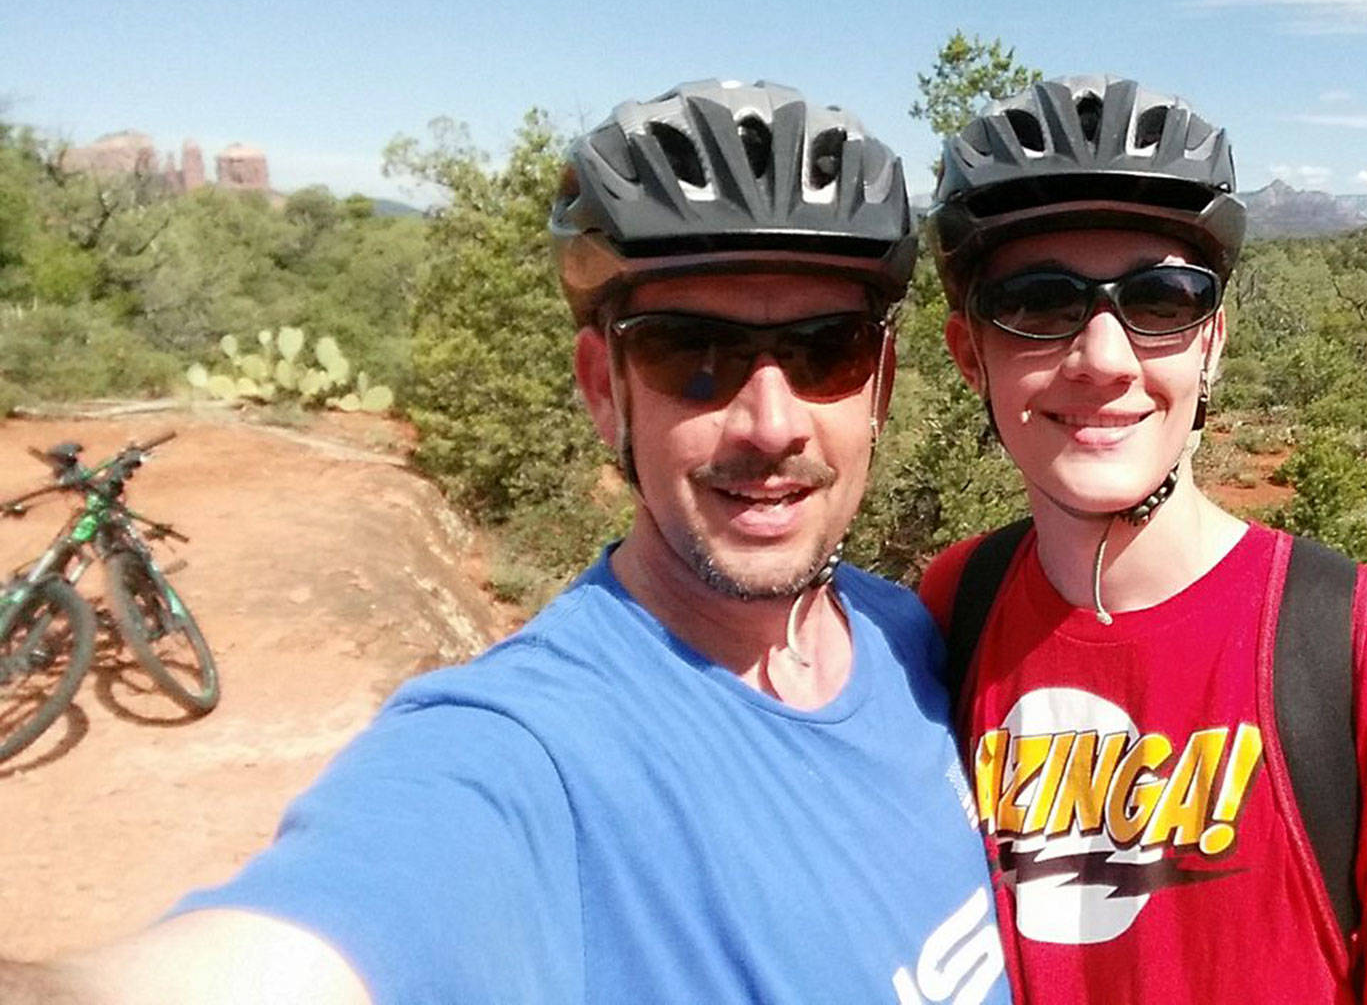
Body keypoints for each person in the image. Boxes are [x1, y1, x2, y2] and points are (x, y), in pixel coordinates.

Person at [0, 80, 1011, 1005]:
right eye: (690, 354)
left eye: (822, 352)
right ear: (599, 387)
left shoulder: (911, 634)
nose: (769, 420)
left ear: (878, 383)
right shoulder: (523, 750)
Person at [917, 75, 1367, 1003]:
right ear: (970, 357)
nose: (1105, 359)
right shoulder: (951, 609)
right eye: (1038, 305)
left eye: (1161, 300)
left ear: (1212, 345)